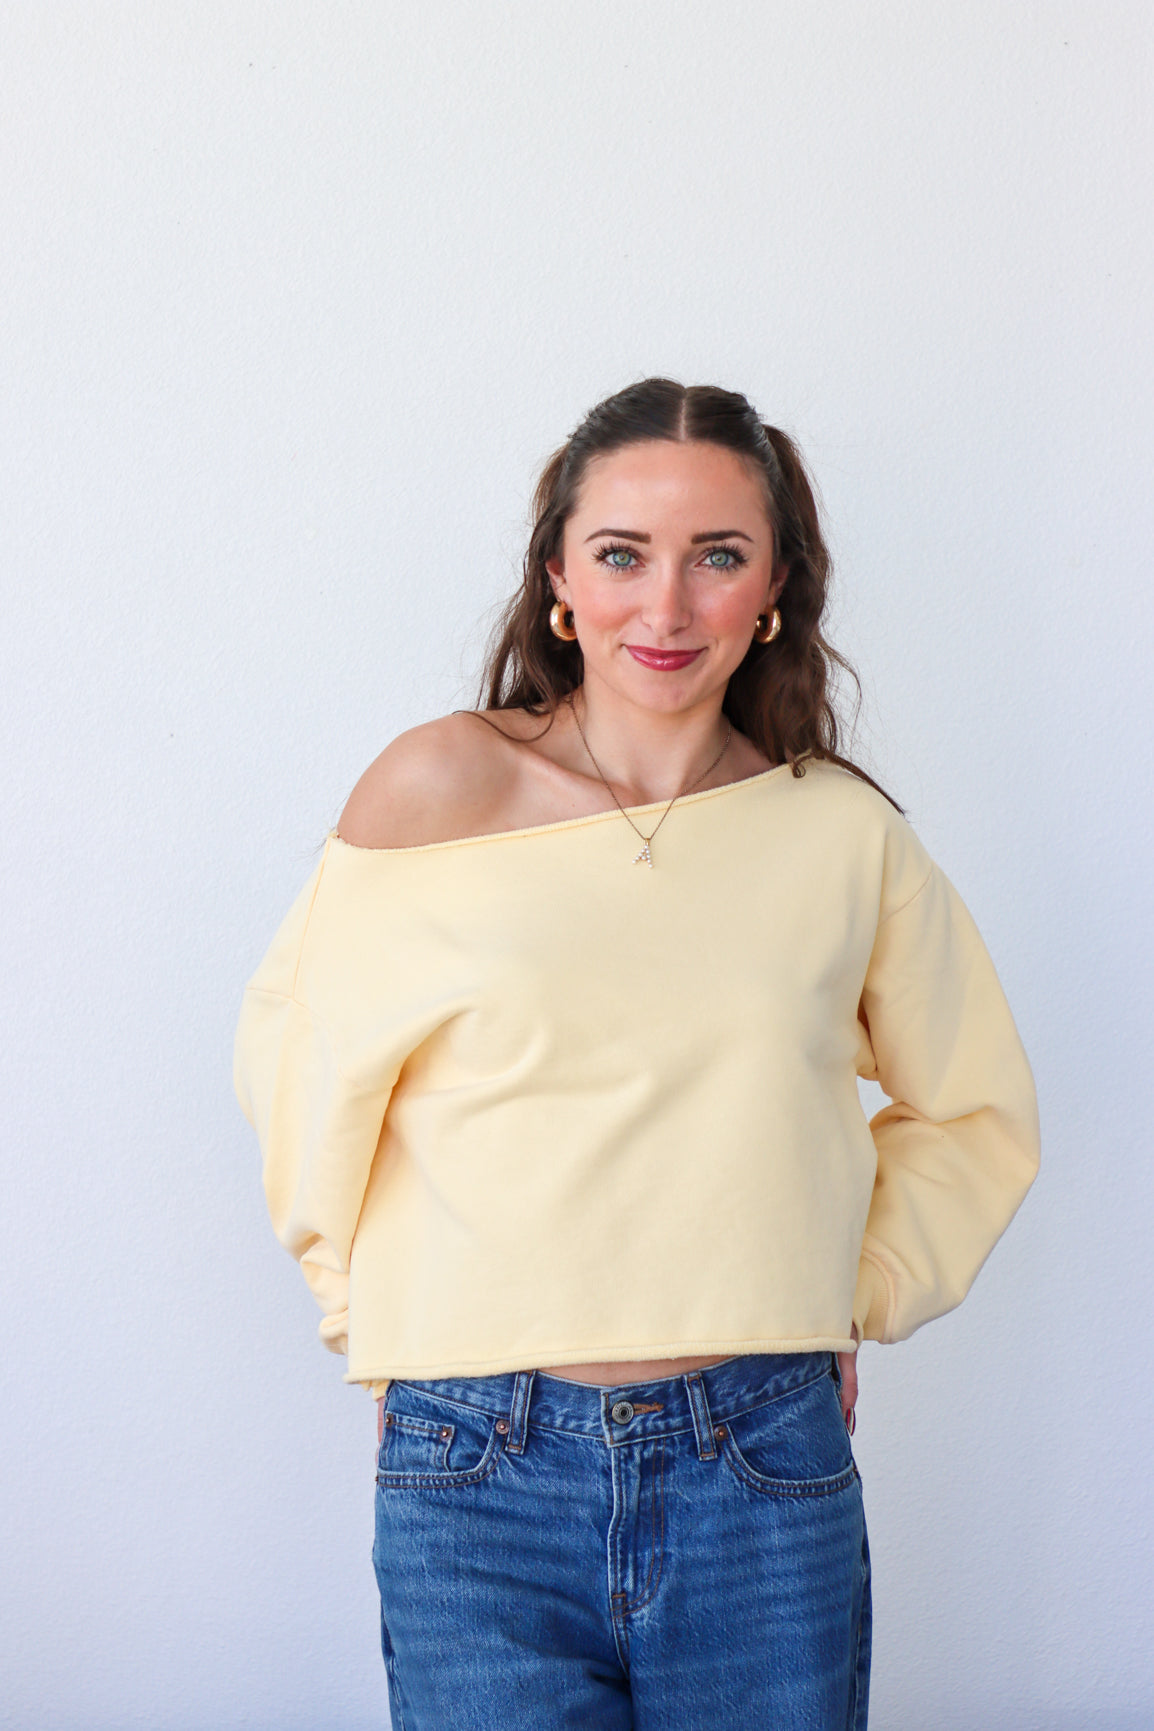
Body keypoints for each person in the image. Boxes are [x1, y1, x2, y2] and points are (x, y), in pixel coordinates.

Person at [233, 378, 1040, 1729]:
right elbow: (305, 1079)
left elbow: (972, 1106)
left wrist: (844, 1286)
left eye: (716, 557)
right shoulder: (435, 792)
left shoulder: (838, 836)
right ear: (558, 574)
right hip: (478, 1459)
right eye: (622, 555)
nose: (663, 610)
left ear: (775, 587)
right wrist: (380, 1334)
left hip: (759, 1453)